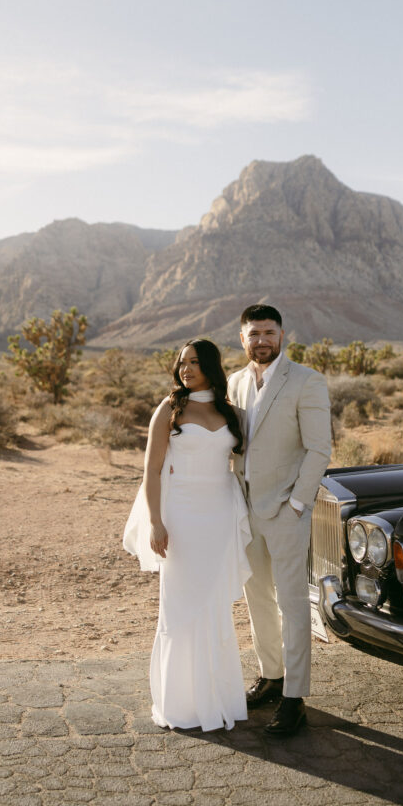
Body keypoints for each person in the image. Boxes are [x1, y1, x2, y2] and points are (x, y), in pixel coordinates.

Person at [123, 338, 251, 731]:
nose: (186, 369)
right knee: (180, 608)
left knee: (214, 607)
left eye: (194, 362)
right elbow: (152, 470)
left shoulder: (230, 413)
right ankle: (180, 703)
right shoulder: (170, 408)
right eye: (181, 363)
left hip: (218, 517)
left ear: (211, 366)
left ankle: (218, 699)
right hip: (180, 517)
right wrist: (157, 521)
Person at [228, 304, 331, 736]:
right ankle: (271, 676)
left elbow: (319, 449)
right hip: (246, 509)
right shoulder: (234, 383)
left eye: (269, 332)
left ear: (283, 335)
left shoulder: (306, 381)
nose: (262, 341)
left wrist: (298, 504)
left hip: (286, 510)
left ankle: (295, 698)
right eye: (254, 334)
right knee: (258, 601)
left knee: (292, 604)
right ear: (243, 339)